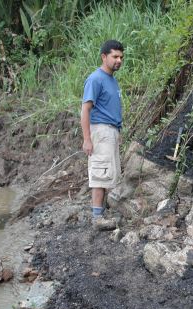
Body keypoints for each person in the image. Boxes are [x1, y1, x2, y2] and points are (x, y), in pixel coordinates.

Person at [80, 40, 124, 230]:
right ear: (104, 56)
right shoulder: (95, 79)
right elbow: (85, 110)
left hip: (110, 131)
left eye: (121, 57)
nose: (119, 60)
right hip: (100, 131)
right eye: (115, 56)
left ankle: (102, 212)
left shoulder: (111, 79)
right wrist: (87, 139)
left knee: (108, 173)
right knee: (100, 173)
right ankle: (97, 218)